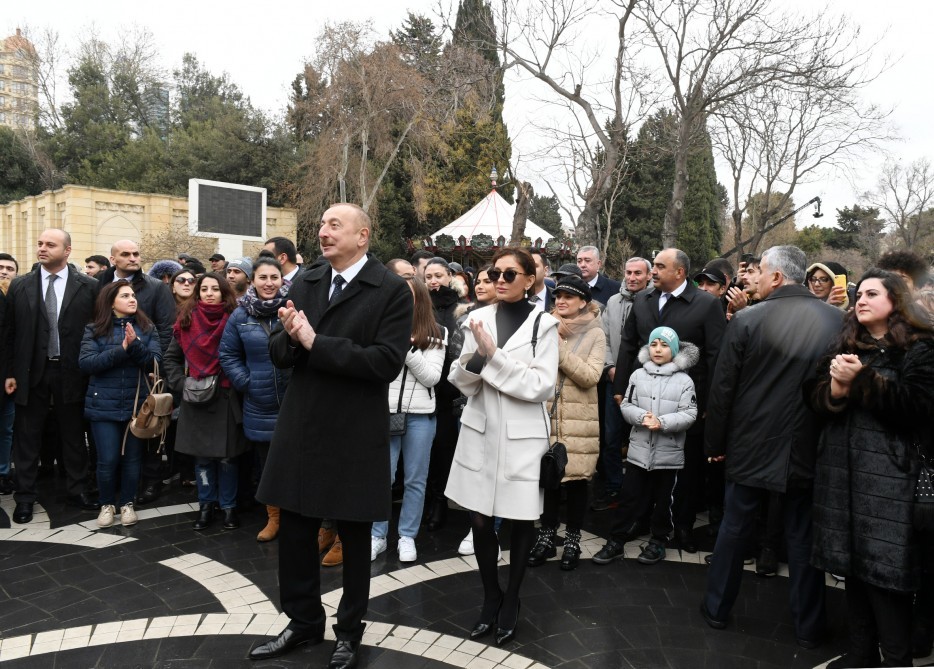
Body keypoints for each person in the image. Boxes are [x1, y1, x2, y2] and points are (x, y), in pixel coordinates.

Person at [249, 203, 412, 666]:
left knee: (355, 537)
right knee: (296, 531)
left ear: (363, 235)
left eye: (334, 225)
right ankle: (302, 623)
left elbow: (384, 362)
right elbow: (282, 353)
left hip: (354, 428)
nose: (323, 232)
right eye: (321, 225)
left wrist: (315, 343)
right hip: (303, 423)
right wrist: (288, 334)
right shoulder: (309, 279)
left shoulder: (392, 290)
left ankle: (348, 631)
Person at [700, 246, 842, 650]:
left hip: (748, 444)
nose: (754, 277)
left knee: (734, 529)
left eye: (760, 271)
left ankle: (716, 609)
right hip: (806, 448)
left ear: (777, 277)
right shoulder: (836, 321)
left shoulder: (747, 319)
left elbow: (722, 390)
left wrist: (715, 446)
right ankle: (808, 626)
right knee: (802, 537)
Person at [807, 268, 934, 668]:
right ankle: (861, 656)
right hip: (842, 483)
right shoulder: (844, 343)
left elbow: (920, 409)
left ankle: (896, 660)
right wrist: (834, 391)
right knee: (856, 576)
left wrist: (863, 381)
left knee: (887, 582)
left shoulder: (920, 349)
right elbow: (811, 399)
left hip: (892, 486)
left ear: (896, 301)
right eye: (859, 294)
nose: (860, 300)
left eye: (872, 294)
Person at [446, 247, 559, 646]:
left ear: (530, 279)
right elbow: (460, 380)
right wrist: (479, 358)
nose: (500, 280)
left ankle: (512, 598)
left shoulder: (543, 325)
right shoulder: (478, 318)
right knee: (478, 519)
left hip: (523, 435)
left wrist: (494, 358)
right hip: (480, 428)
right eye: (495, 272)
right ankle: (491, 593)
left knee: (520, 519)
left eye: (510, 274)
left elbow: (542, 385)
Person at [612, 248, 726, 553]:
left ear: (680, 272)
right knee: (641, 464)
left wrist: (709, 404)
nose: (653, 272)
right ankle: (641, 520)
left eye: (660, 267)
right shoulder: (642, 300)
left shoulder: (706, 304)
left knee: (683, 472)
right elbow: (628, 344)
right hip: (644, 397)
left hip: (685, 404)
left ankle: (682, 527)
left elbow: (717, 356)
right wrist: (621, 386)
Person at [4, 229, 101, 523]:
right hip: (30, 373)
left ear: (67, 250)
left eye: (50, 244)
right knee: (27, 437)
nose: (42, 249)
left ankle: (77, 490)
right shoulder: (20, 286)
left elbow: (97, 328)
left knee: (73, 435)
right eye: (40, 244)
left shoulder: (89, 286)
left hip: (72, 372)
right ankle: (24, 498)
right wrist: (9, 372)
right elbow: (8, 334)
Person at [593, 326, 697, 566]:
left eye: (663, 345)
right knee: (629, 497)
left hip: (668, 454)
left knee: (664, 501)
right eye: (654, 344)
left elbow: (690, 413)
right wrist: (642, 417)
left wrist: (662, 422)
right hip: (638, 452)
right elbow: (627, 405)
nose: (658, 349)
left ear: (673, 350)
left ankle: (658, 541)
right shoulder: (637, 375)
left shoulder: (684, 380)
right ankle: (616, 540)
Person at [528, 275, 605, 571]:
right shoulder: (544, 326)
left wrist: (558, 351)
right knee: (549, 479)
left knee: (576, 482)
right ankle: (546, 537)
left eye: (568, 297)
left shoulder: (595, 333)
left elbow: (590, 376)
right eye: (558, 295)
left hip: (580, 420)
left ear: (583, 302)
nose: (560, 300)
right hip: (545, 414)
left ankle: (572, 539)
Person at [163, 272, 246, 532]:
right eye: (204, 289)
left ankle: (229, 506)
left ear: (224, 292)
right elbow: (171, 359)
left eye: (215, 289)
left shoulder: (235, 319)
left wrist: (238, 380)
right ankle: (206, 506)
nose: (209, 293)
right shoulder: (186, 320)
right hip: (196, 397)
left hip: (226, 397)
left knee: (227, 459)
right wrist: (181, 383)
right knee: (202, 460)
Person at [371, 277, 445, 563]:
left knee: (416, 480)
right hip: (385, 412)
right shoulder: (381, 327)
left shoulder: (438, 332)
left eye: (409, 294)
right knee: (382, 478)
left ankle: (407, 537)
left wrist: (406, 350)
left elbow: (432, 377)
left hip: (420, 416)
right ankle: (377, 536)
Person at [219, 257, 291, 542]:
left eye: (274, 277)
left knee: (294, 463)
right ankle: (273, 518)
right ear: (253, 280)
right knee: (266, 465)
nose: (269, 283)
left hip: (291, 399)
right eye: (263, 277)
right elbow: (228, 354)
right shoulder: (240, 315)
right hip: (258, 402)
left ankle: (297, 517)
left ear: (282, 280)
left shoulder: (292, 309)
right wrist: (246, 382)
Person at [79, 280, 162, 528]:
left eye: (133, 294)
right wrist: (123, 348)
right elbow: (87, 364)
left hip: (137, 406)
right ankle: (107, 504)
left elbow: (155, 363)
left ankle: (127, 504)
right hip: (102, 406)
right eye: (125, 295)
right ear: (110, 301)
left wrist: (135, 345)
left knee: (133, 459)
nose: (132, 299)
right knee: (107, 460)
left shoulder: (147, 328)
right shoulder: (94, 329)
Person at [596, 257, 653, 511]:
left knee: (640, 439)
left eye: (638, 273)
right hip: (614, 380)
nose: (632, 277)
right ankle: (613, 489)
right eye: (628, 272)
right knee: (610, 438)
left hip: (647, 383)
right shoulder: (613, 302)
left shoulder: (656, 303)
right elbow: (604, 338)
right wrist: (610, 367)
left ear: (648, 276)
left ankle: (639, 493)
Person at [423, 256, 461, 532]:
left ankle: (441, 500)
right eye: (429, 277)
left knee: (445, 447)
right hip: (424, 386)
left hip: (452, 389)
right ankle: (430, 498)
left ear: (449, 276)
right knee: (426, 449)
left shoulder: (461, 307)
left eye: (438, 275)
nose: (434, 281)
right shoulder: (420, 306)